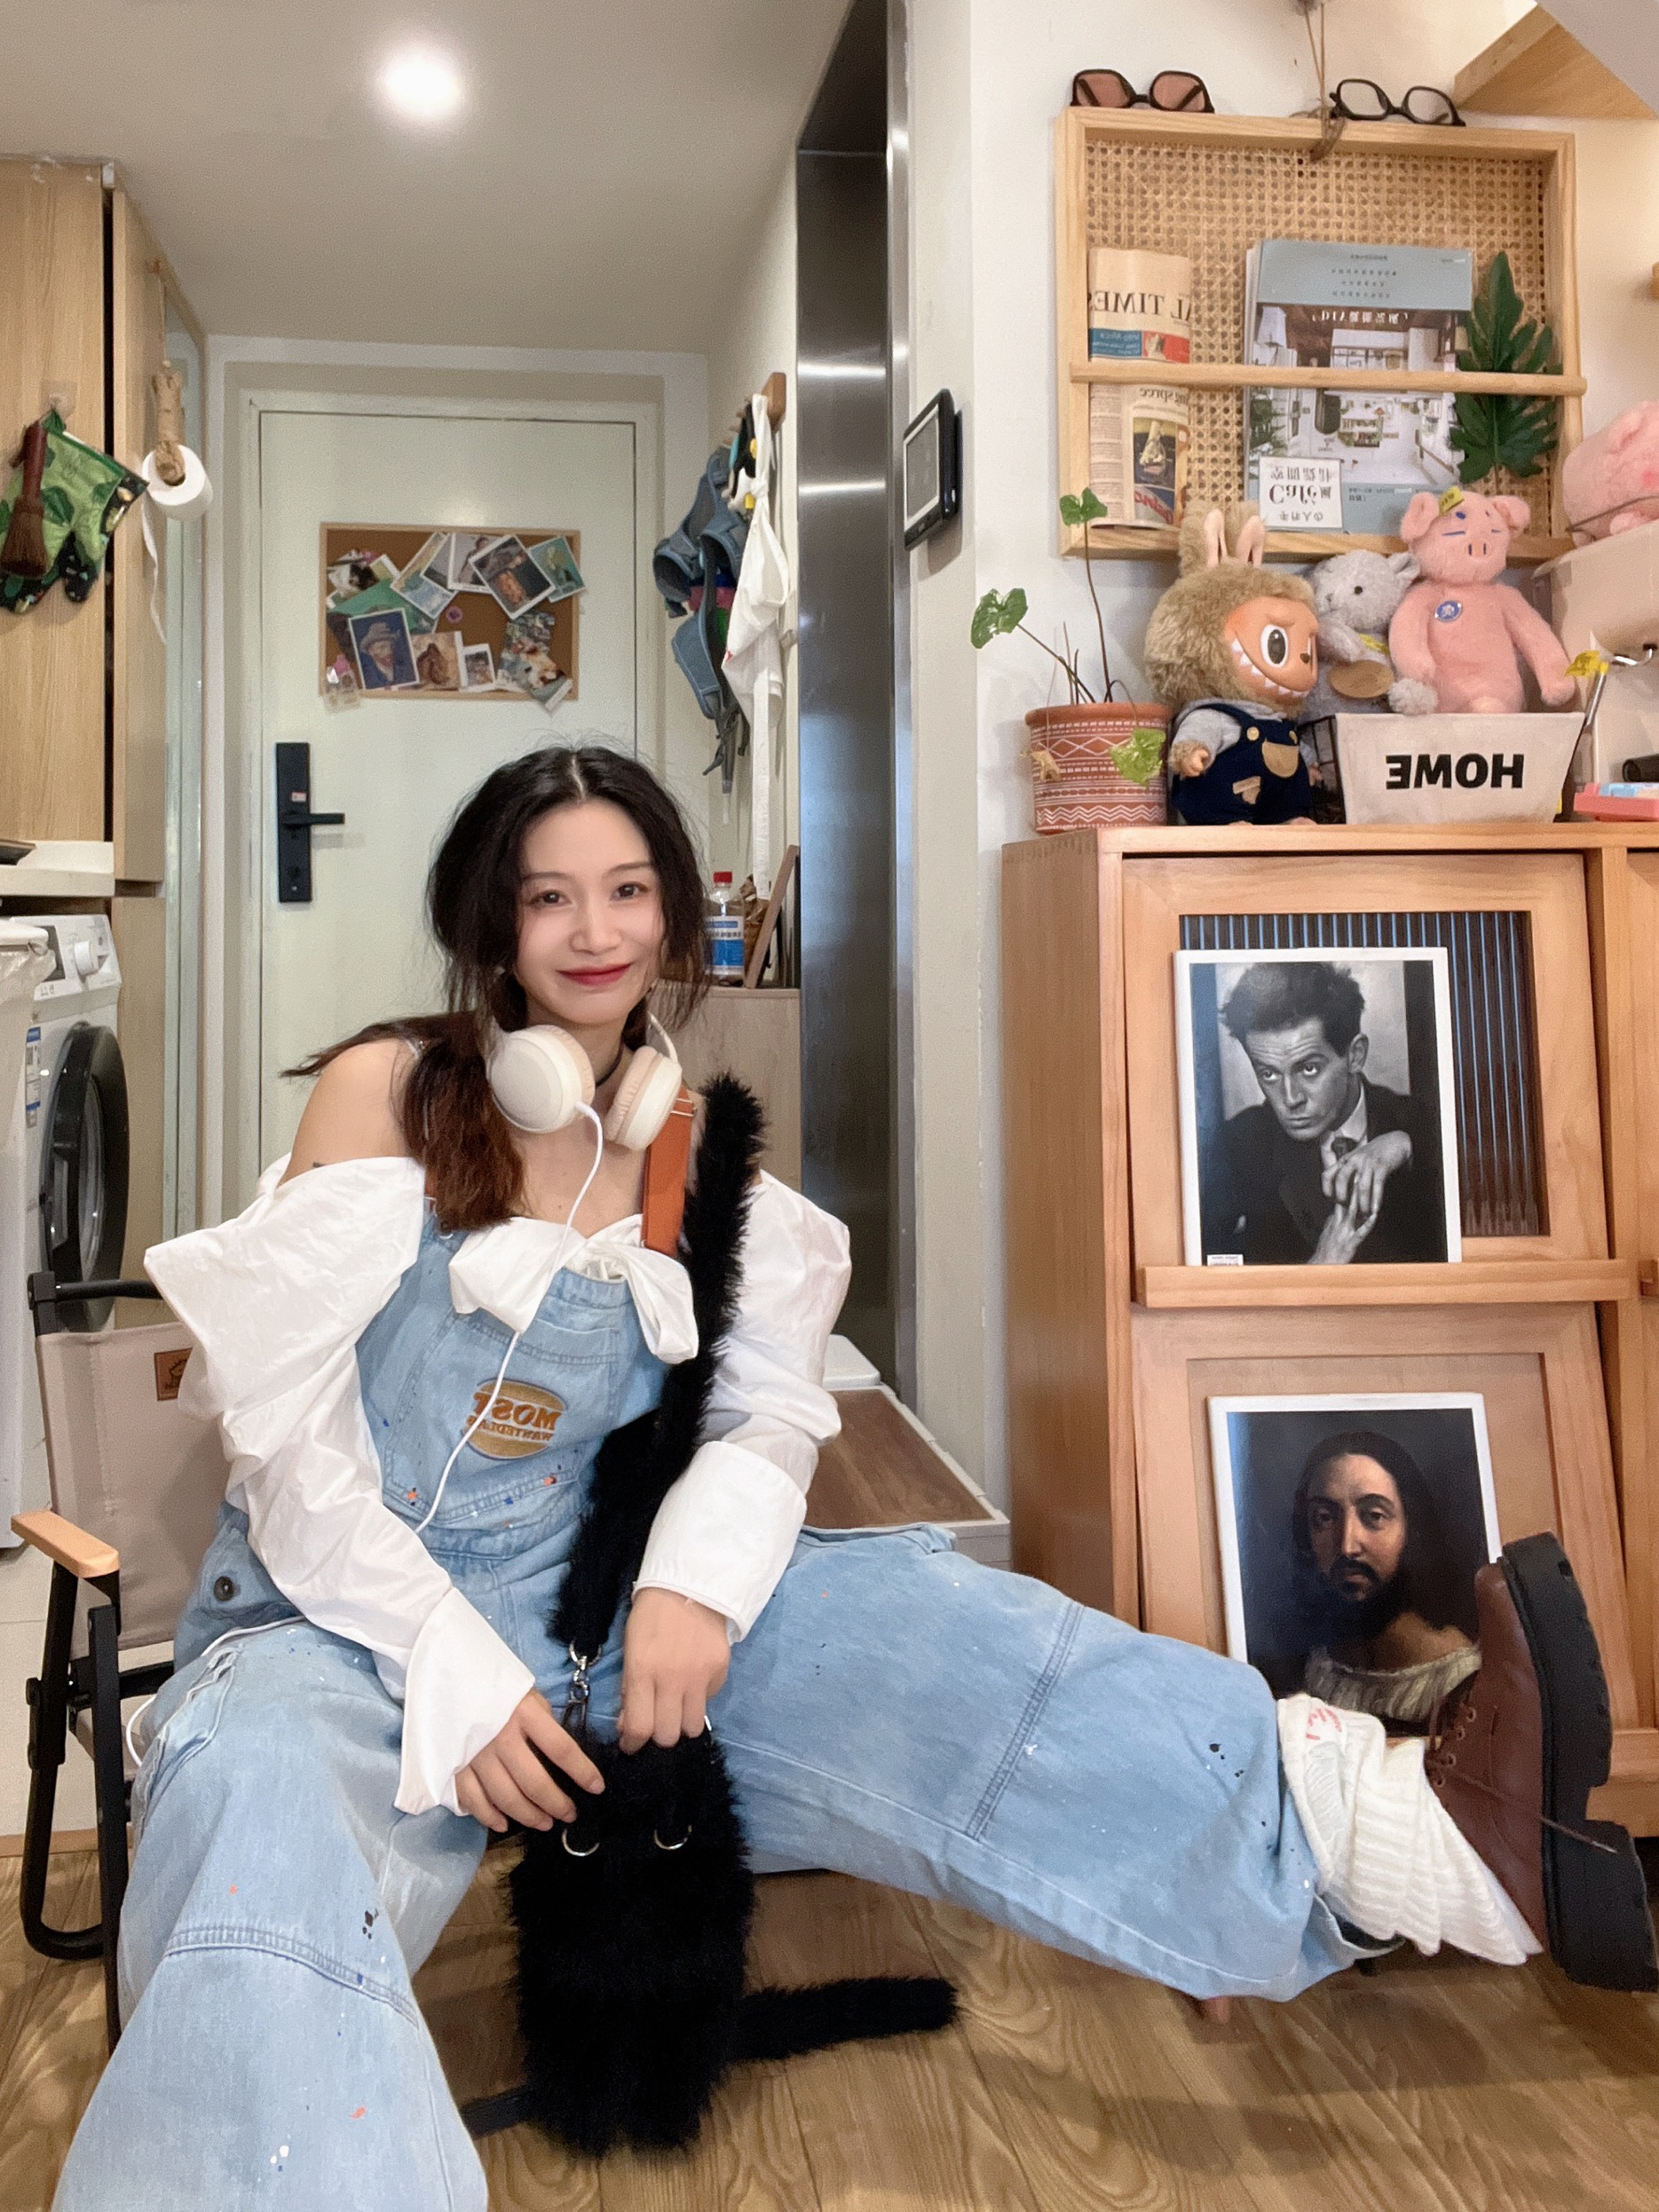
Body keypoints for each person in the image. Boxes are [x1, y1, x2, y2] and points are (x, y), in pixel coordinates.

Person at [54, 747, 1654, 2209]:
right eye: (548, 898)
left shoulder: (700, 1158)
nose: (594, 933)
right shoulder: (388, 1091)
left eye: (628, 891)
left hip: (593, 1605)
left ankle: (1412, 1844)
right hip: (341, 1625)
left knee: (933, 1628)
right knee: (260, 1818)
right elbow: (287, 1441)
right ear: (492, 923)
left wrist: (688, 1589)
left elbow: (761, 1417)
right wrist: (448, 1666)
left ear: (674, 914)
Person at [1202, 959, 1444, 1265]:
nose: (1291, 1099)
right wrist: (1318, 1269)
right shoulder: (1238, 1144)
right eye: (1269, 1074)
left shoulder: (1425, 1125)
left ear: (1355, 1056)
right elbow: (1204, 1273)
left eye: (1309, 1068)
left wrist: (1408, 1144)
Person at [1282, 1430, 1481, 1727]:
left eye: (1374, 1516)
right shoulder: (1316, 1664)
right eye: (1324, 1518)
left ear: (1412, 1528)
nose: (1348, 1546)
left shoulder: (1459, 1675)